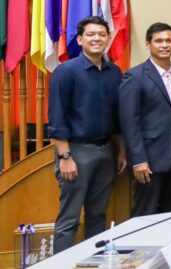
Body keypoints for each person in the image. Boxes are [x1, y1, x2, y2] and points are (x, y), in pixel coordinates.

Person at [48, 16, 127, 253]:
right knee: (70, 218)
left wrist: (121, 150)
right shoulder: (66, 71)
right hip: (76, 152)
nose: (97, 39)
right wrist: (65, 157)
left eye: (102, 34)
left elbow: (117, 117)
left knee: (98, 215)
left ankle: (94, 262)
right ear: (80, 40)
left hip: (107, 151)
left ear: (108, 38)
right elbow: (56, 117)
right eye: (91, 35)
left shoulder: (115, 72)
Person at [119, 22, 171, 217]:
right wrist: (138, 160)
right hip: (149, 160)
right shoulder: (134, 76)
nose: (164, 45)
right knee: (145, 213)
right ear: (148, 44)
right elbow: (129, 122)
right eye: (158, 41)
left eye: (169, 40)